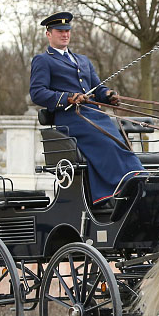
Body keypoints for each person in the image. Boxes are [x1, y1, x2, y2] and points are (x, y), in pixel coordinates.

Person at [30, 12, 145, 205]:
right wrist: (68, 98)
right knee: (107, 141)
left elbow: (97, 88)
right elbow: (37, 92)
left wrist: (108, 95)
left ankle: (135, 179)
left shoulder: (82, 60)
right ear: (48, 34)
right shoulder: (43, 60)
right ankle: (125, 183)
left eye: (67, 31)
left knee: (119, 141)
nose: (65, 34)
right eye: (60, 31)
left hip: (93, 116)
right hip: (70, 120)